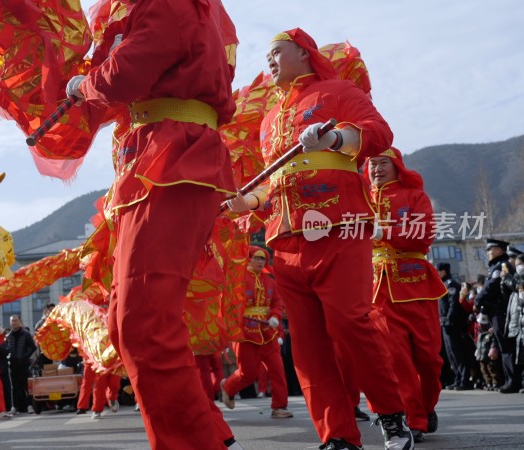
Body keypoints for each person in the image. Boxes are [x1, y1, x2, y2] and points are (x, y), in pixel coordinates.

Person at [65, 0, 241, 447]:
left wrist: (82, 85)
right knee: (125, 325)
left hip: (175, 155)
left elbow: (125, 74)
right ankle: (208, 435)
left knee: (144, 322)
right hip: (153, 155)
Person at [228, 28, 412, 450]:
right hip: (287, 241)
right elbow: (274, 184)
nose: (270, 61)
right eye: (267, 55)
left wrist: (335, 138)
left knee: (351, 323)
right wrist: (249, 202)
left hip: (339, 226)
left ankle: (390, 414)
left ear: (304, 54)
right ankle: (338, 436)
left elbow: (378, 133)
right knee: (308, 348)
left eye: (277, 53)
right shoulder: (270, 119)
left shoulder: (338, 91)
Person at [367, 149, 447, 443]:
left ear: (397, 165)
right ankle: (413, 419)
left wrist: (382, 231)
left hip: (416, 285)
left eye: (383, 162)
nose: (376, 169)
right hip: (377, 290)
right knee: (395, 359)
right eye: (372, 164)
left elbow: (423, 234)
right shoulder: (359, 198)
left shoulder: (415, 197)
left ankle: (426, 408)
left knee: (430, 361)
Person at [220, 247, 292, 419]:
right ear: (248, 259)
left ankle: (279, 407)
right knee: (248, 374)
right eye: (256, 258)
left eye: (263, 259)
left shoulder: (270, 282)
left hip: (268, 333)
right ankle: (228, 387)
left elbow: (277, 303)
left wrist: (275, 316)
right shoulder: (238, 280)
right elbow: (230, 303)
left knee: (277, 370)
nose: (260, 262)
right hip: (245, 334)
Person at [474, 238, 517, 392]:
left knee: (506, 348)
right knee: (503, 347)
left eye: (490, 249)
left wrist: (478, 299)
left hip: (501, 312)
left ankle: (512, 381)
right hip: (496, 312)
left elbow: (491, 287)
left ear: (499, 250)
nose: (488, 252)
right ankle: (509, 380)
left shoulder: (501, 265)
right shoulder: (496, 266)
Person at [437, 263, 472, 392]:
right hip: (444, 323)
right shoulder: (442, 284)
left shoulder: (451, 284)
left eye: (438, 271)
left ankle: (464, 379)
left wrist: (449, 319)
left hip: (452, 324)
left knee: (458, 352)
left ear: (444, 271)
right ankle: (457, 378)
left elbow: (453, 304)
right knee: (450, 354)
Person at [6, 315, 36, 415]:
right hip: (12, 365)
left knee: (26, 386)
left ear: (20, 321)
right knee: (14, 387)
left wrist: (25, 356)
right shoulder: (8, 335)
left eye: (15, 320)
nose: (13, 323)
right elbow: (5, 349)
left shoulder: (26, 334)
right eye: (12, 321)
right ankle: (14, 407)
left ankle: (30, 406)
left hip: (24, 364)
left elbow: (33, 347)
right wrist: (8, 355)